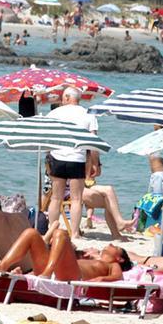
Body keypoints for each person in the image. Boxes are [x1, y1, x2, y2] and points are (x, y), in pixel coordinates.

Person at [0, 225, 132, 282]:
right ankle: (2, 266)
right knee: (31, 233)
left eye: (115, 247)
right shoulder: (92, 256)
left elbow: (117, 277)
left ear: (119, 258)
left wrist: (100, 279)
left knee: (60, 233)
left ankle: (47, 273)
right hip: (57, 270)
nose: (111, 244)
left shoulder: (112, 265)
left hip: (71, 276)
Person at [45, 87, 99, 236]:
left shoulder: (54, 113)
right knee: (76, 199)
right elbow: (93, 142)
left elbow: (45, 137)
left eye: (63, 97)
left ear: (68, 97)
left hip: (57, 158)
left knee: (56, 198)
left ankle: (52, 230)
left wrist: (48, 155)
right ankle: (75, 233)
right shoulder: (88, 114)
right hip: (77, 159)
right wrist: (95, 163)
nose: (62, 100)